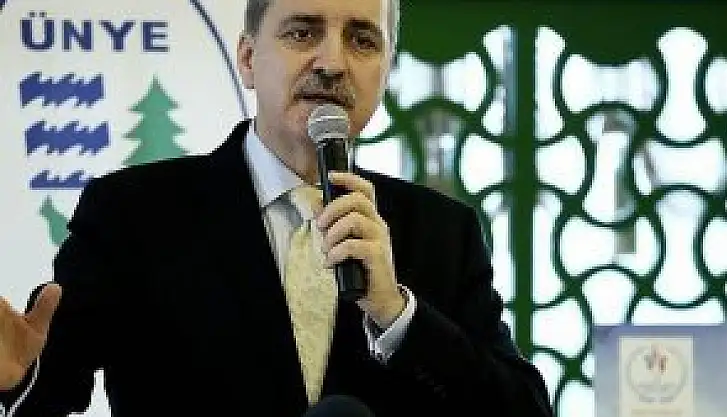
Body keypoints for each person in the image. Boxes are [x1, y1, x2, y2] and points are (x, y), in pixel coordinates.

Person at [0, 0, 554, 415]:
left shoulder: (442, 231)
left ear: (385, 70)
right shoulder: (134, 213)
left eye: (362, 40)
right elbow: (49, 386)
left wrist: (396, 313)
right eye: (302, 32)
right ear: (247, 59)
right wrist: (12, 381)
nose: (332, 62)